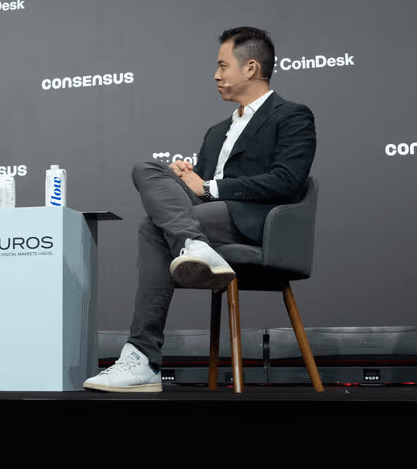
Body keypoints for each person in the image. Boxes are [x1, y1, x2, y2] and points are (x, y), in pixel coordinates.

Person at [84, 27, 316, 392]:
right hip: (207, 216)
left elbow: (287, 180)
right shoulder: (216, 131)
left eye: (223, 66)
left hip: (255, 222)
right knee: (147, 169)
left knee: (152, 228)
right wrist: (187, 178)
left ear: (251, 68)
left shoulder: (291, 116)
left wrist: (208, 187)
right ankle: (193, 244)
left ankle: (142, 357)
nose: (216, 75)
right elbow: (198, 190)